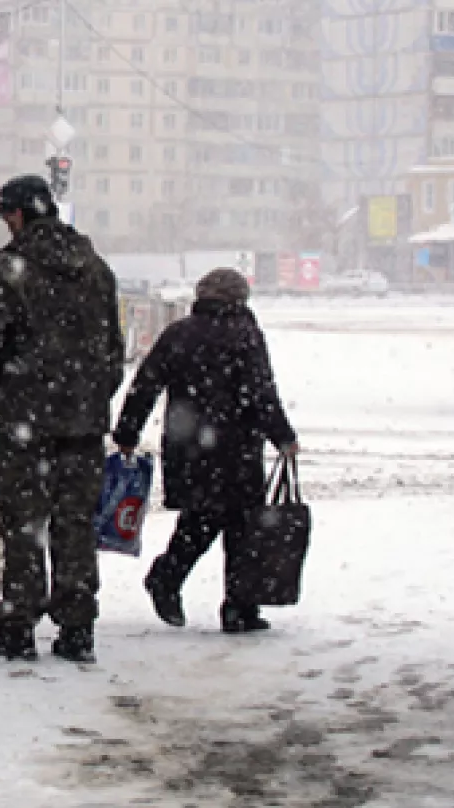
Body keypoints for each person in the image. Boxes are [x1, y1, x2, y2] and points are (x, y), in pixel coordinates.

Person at [0, 175, 125, 663]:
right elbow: (114, 349)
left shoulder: (8, 269)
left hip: (24, 422)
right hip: (84, 425)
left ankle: (18, 626)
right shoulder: (96, 268)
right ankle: (76, 628)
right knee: (74, 523)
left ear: (18, 215)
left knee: (23, 524)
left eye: (8, 217)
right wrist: (90, 399)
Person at [112, 268, 299, 635]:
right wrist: (282, 436)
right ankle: (236, 606)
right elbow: (262, 393)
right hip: (238, 446)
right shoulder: (245, 335)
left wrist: (128, 431)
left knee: (202, 518)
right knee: (240, 524)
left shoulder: (180, 333)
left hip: (188, 446)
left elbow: (146, 384)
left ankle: (173, 578)